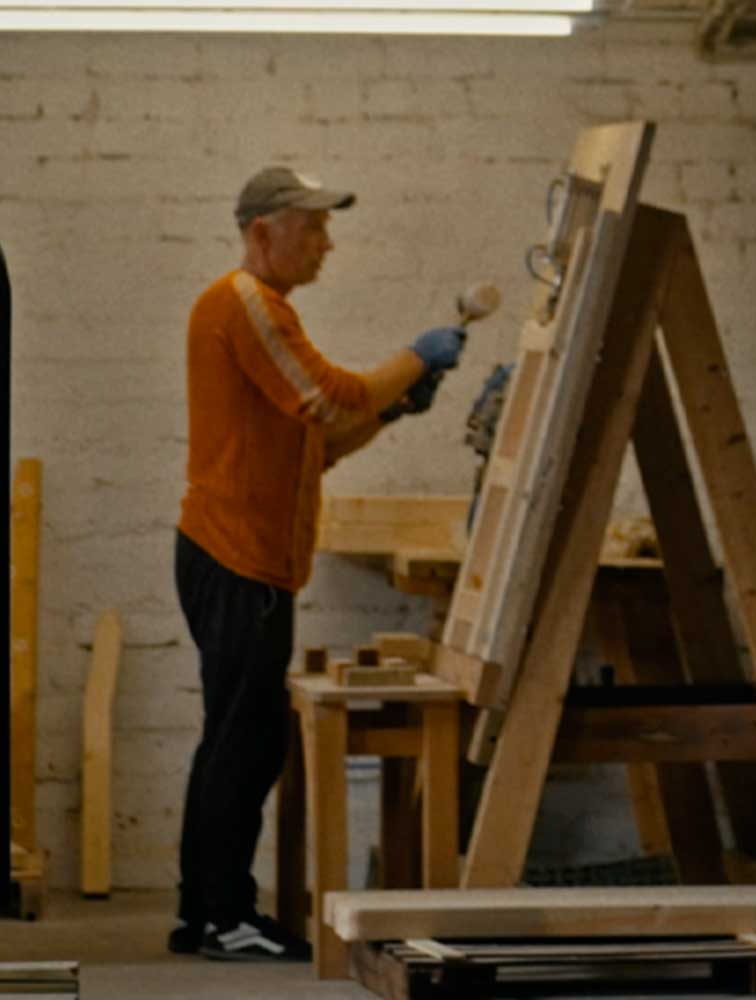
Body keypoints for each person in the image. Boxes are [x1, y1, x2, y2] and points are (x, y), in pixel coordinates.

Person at [170, 165, 465, 961]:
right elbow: (331, 398)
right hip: (235, 557)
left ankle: (206, 910)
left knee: (241, 736)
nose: (326, 245)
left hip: (250, 561)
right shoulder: (245, 304)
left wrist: (396, 407)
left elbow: (317, 448)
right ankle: (220, 915)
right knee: (244, 739)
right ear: (264, 232)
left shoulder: (265, 313)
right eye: (313, 228)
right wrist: (411, 357)